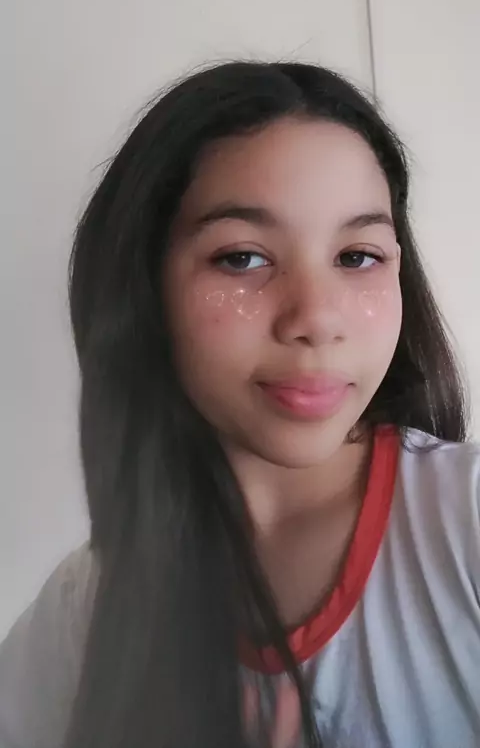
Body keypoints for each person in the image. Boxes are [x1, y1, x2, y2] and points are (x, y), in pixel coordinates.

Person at [0, 61, 478, 748]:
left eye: (357, 256)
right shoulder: (90, 606)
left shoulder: (464, 524)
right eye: (243, 259)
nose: (316, 319)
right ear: (146, 289)